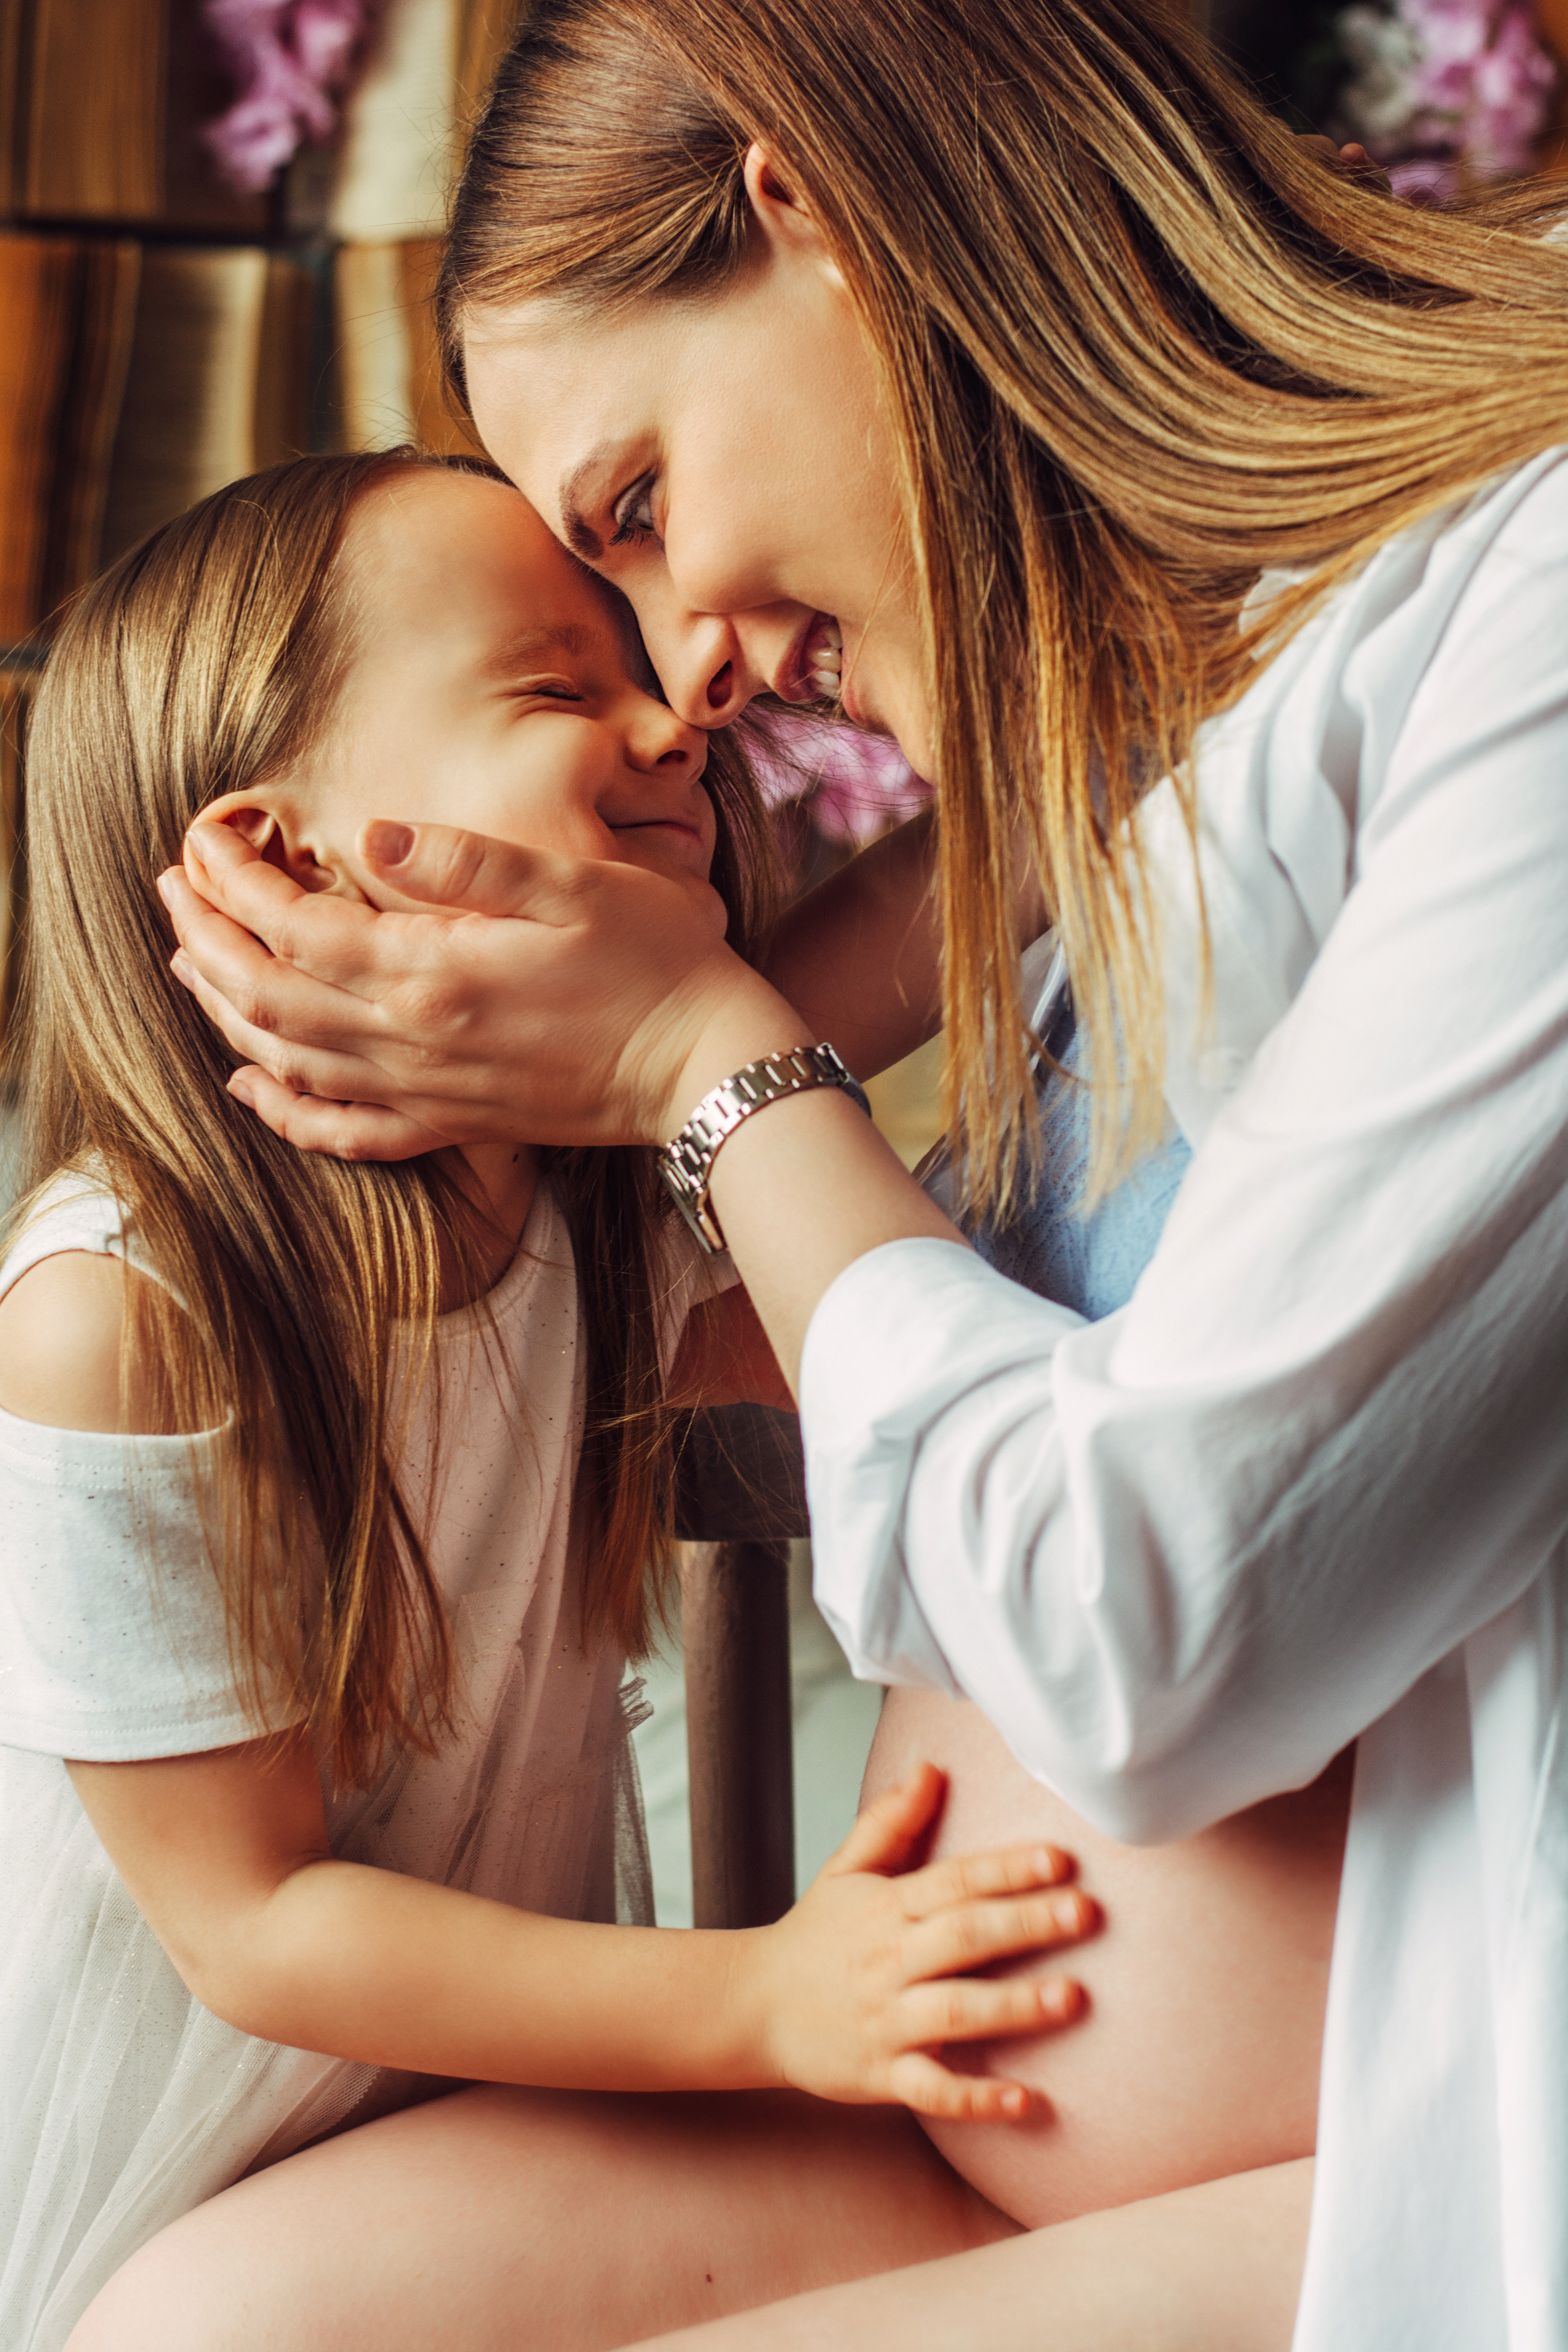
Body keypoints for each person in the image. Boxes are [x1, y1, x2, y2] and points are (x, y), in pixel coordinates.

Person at [152, 1, 1568, 2345]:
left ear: (815, 213)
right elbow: (1021, 870)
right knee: (216, 2330)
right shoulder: (1207, 696)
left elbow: (1164, 1633)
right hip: (1001, 2123)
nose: (687, 682)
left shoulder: (1528, 617)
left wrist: (697, 1059)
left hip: (1428, 2135)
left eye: (637, 510)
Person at [0, 446, 1107, 2352]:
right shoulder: (122, 1308)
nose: (674, 717)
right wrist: (771, 1995)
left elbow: (951, 894)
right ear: (279, 860)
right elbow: (253, 1929)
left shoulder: (594, 1185)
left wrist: (1162, 677)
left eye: (641, 670)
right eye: (553, 684)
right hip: (172, 2194)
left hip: (481, 2139)